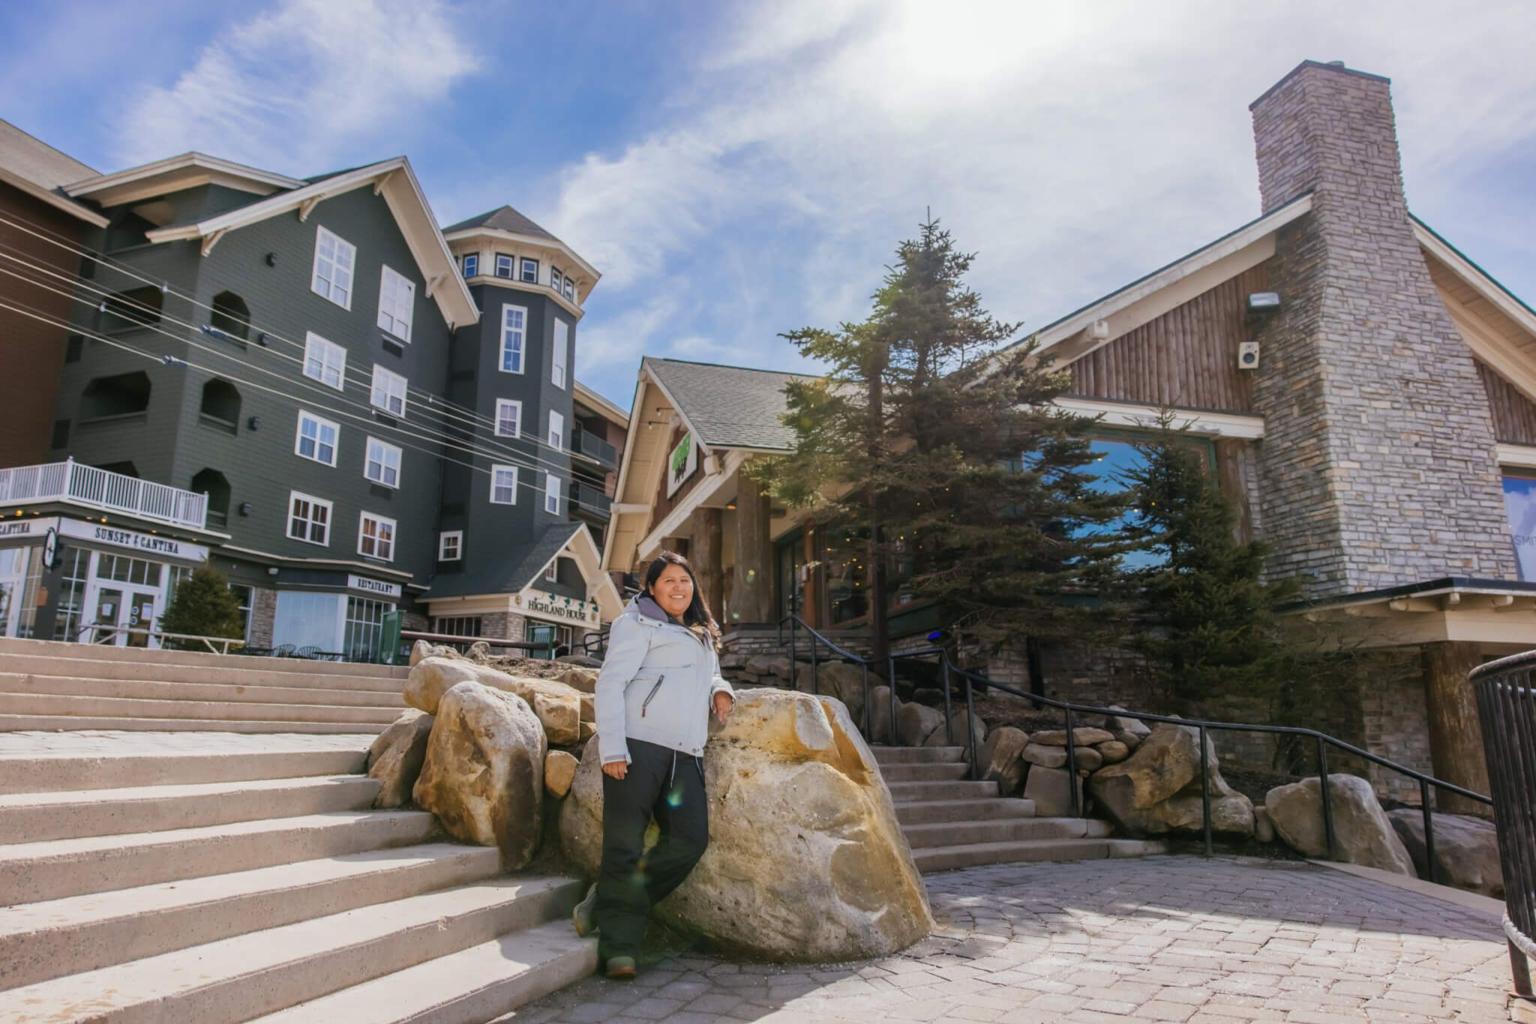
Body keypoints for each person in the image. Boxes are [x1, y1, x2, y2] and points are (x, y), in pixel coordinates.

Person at [570, 551, 735, 979]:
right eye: (669, 581)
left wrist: (721, 691)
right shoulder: (636, 623)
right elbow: (611, 682)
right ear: (652, 588)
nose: (679, 587)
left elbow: (711, 674)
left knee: (689, 840)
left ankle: (609, 900)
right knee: (623, 847)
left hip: (687, 752)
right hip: (638, 748)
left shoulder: (699, 632)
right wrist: (613, 748)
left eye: (685, 580)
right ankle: (620, 950)